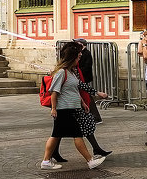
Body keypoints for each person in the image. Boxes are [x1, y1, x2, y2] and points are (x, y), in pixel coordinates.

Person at [40, 42, 107, 170]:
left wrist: (82, 102)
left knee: (56, 135)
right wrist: (54, 108)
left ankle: (46, 161)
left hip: (70, 108)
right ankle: (90, 160)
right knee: (76, 135)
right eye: (78, 57)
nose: (79, 59)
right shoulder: (61, 73)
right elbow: (54, 92)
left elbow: (75, 89)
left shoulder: (70, 72)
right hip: (65, 109)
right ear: (72, 58)